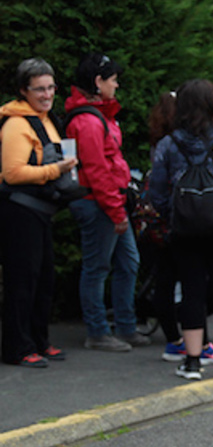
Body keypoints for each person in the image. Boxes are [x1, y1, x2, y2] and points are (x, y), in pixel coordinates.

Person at [149, 80, 213, 380]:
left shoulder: (169, 144)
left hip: (184, 230)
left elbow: (156, 191)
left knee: (192, 291)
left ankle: (193, 361)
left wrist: (173, 214)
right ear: (212, 104)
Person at [66, 52, 148, 352]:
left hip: (109, 202)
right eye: (113, 80)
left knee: (128, 263)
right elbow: (97, 170)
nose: (117, 85)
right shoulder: (88, 121)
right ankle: (98, 332)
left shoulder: (95, 116)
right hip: (100, 203)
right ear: (98, 82)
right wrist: (116, 212)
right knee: (98, 267)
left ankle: (124, 327)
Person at [0, 58, 77, 367]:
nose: (47, 95)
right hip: (19, 211)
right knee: (23, 280)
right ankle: (16, 348)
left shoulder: (45, 119)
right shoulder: (17, 124)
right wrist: (54, 170)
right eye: (39, 90)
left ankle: (39, 341)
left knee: (43, 278)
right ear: (23, 91)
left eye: (51, 88)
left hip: (40, 212)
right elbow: (13, 173)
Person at [144, 92, 213, 365]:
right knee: (195, 287)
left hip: (167, 222)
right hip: (185, 223)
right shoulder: (182, 144)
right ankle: (197, 346)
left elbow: (156, 189)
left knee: (169, 282)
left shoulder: (162, 144)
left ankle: (178, 342)